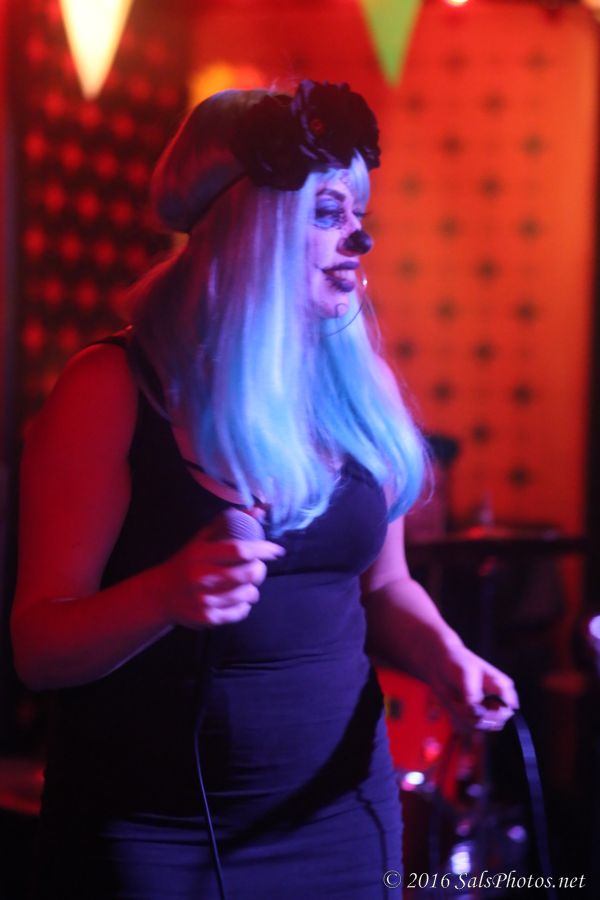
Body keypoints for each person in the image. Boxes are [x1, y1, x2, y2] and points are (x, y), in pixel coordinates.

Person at [10, 81, 518, 900]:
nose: (360, 238)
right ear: (248, 225)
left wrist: (446, 658)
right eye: (327, 213)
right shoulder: (110, 387)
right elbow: (38, 649)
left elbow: (385, 588)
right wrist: (164, 595)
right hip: (155, 837)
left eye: (358, 212)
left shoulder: (355, 382)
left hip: (341, 821)